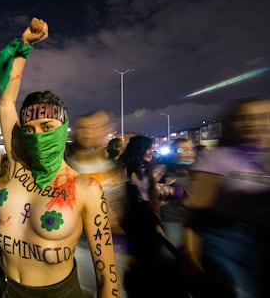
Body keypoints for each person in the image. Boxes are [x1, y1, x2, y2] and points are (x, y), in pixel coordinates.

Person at [0, 17, 120, 297]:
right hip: (4, 289)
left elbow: (106, 274)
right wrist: (24, 45)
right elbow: (5, 102)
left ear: (63, 130)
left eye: (47, 127)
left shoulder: (86, 189)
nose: (37, 136)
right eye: (29, 129)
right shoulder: (17, 167)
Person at [183, 97, 270, 297]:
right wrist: (191, 252)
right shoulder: (217, 158)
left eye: (262, 117)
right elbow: (194, 210)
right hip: (225, 242)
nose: (253, 123)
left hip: (261, 243)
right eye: (245, 118)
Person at [66, 110, 129, 297]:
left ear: (107, 130)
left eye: (96, 126)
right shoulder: (67, 170)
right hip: (77, 250)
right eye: (84, 127)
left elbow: (119, 214)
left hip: (112, 250)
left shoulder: (114, 169)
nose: (89, 132)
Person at [120, 135, 187, 297]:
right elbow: (120, 200)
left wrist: (157, 221)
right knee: (134, 260)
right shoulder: (122, 169)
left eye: (152, 148)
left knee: (150, 259)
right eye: (148, 148)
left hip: (147, 218)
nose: (151, 151)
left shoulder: (148, 168)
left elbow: (153, 198)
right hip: (130, 221)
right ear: (139, 149)